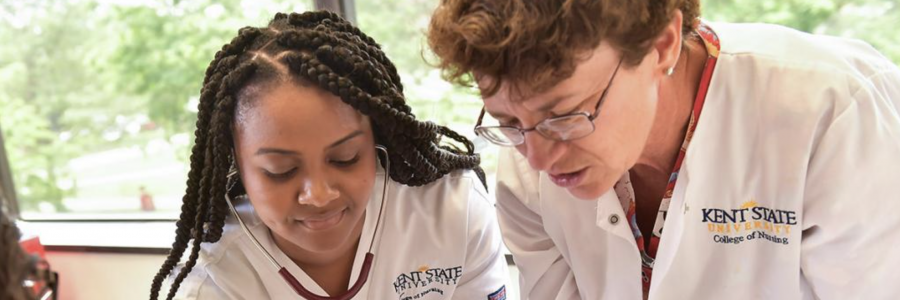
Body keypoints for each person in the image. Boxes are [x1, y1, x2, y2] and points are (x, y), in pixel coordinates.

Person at [427, 0, 900, 299]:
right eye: (509, 122)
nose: (538, 158)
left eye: (566, 115)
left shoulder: (832, 113)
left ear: (662, 44)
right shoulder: (525, 166)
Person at [149, 11, 509, 300]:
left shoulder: (452, 211)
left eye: (346, 158)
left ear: (375, 141)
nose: (318, 195)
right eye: (281, 170)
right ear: (238, 168)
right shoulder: (212, 280)